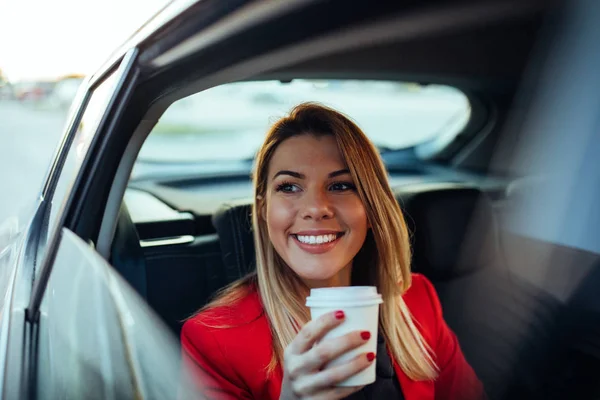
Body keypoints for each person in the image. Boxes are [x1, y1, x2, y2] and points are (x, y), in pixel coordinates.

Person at [181, 102, 484, 400]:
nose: (315, 208)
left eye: (341, 186)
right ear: (263, 209)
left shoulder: (417, 299)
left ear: (370, 208)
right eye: (289, 187)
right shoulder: (214, 338)